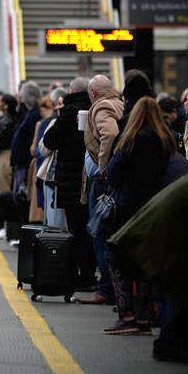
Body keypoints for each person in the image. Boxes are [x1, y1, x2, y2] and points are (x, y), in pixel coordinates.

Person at [104, 97, 176, 334]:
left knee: (119, 258)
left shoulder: (131, 139)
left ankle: (128, 314)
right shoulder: (167, 141)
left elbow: (113, 173)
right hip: (156, 206)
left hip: (129, 207)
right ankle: (146, 314)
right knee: (146, 262)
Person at [43, 77, 95, 290]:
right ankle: (90, 273)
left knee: (75, 228)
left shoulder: (68, 113)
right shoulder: (95, 110)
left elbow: (49, 141)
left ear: (72, 91)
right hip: (90, 177)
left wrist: (60, 115)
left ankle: (78, 275)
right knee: (88, 228)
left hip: (68, 179)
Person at [78, 74, 123, 305]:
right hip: (109, 179)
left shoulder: (101, 107)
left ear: (93, 93)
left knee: (99, 232)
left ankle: (106, 289)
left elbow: (110, 134)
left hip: (102, 180)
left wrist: (104, 167)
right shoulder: (118, 103)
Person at [36, 88, 67, 230]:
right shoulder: (83, 120)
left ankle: (53, 249)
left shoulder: (55, 123)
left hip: (53, 176)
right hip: (74, 179)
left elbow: (42, 149)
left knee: (53, 220)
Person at [10, 81, 43, 216]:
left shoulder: (34, 115)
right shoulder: (31, 113)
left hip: (25, 163)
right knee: (19, 197)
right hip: (22, 162)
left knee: (22, 197)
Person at [0, 93, 19, 209]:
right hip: (6, 155)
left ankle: (6, 221)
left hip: (4, 156)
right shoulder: (12, 119)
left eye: (0, 101)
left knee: (4, 189)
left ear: (6, 105)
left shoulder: (6, 122)